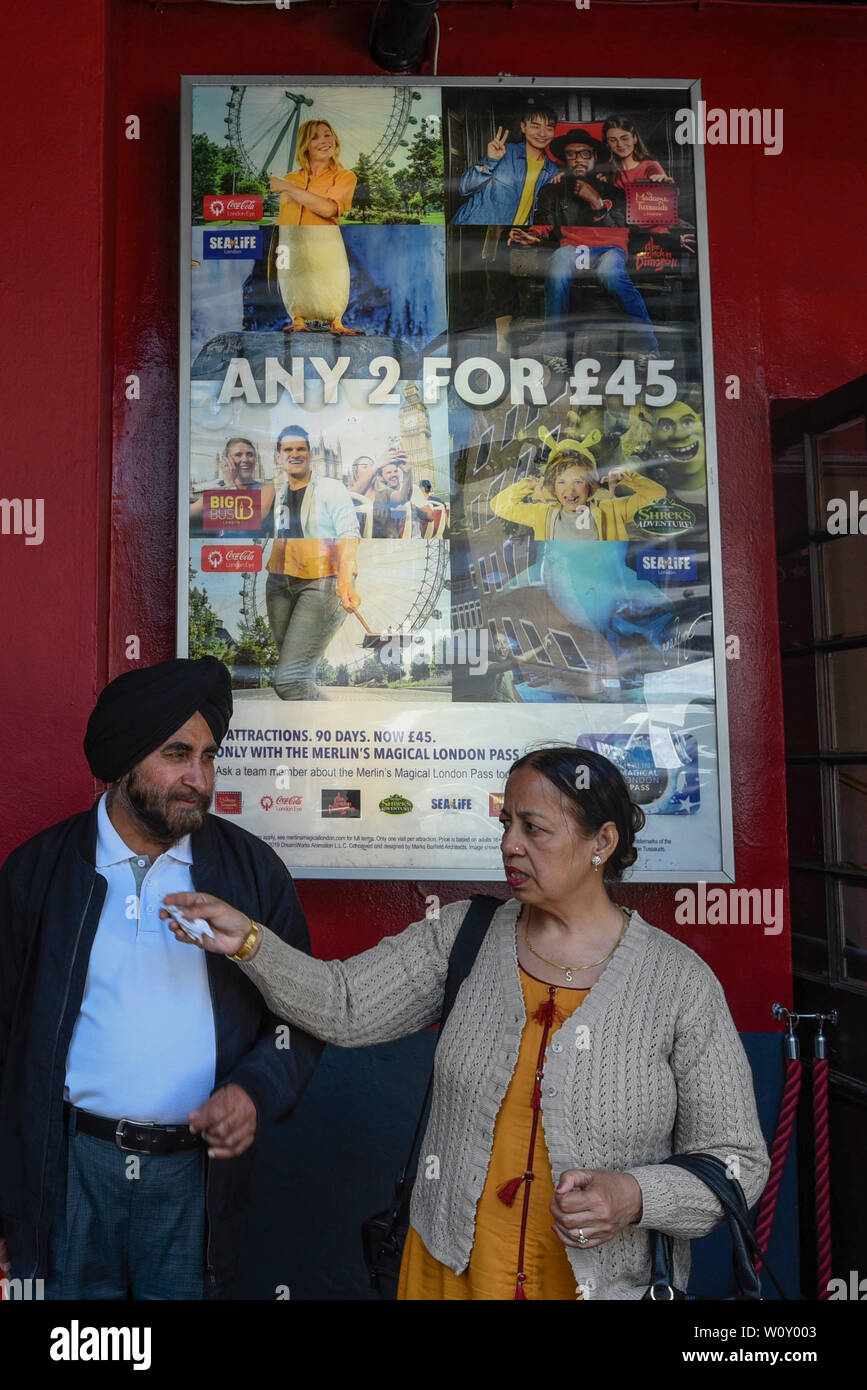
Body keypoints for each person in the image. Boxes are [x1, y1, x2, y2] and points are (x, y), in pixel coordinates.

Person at [162, 745, 770, 1301]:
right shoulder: (466, 936)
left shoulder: (678, 984)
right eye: (506, 824)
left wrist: (635, 1197)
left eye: (533, 828)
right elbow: (344, 1004)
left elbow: (738, 1162)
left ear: (601, 841)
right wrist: (251, 944)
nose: (509, 844)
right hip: (448, 1275)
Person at [0, 657, 323, 1300]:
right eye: (177, 755)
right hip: (66, 1173)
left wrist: (254, 1092)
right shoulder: (39, 874)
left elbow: (301, 1013)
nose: (198, 779)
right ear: (123, 762)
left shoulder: (249, 875)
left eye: (208, 757)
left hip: (193, 1181)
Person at [509, 127, 659, 369]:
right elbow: (544, 224)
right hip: (573, 249)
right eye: (571, 155)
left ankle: (647, 350)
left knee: (610, 274)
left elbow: (622, 229)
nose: (577, 159)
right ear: (565, 159)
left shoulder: (615, 192)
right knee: (558, 267)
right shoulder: (553, 191)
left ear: (594, 157)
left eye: (584, 154)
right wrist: (533, 235)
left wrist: (598, 204)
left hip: (609, 249)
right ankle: (554, 353)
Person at [453, 104, 559, 354]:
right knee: (468, 291)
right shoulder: (504, 153)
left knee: (505, 290)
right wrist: (490, 161)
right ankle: (464, 350)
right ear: (523, 127)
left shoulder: (552, 170)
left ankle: (501, 349)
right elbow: (463, 188)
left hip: (511, 234)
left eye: (549, 127)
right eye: (535, 125)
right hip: (473, 230)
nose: (542, 132)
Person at [266, 425, 361, 699]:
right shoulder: (278, 492)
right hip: (279, 582)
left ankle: (338, 731)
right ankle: (314, 736)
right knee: (297, 677)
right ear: (278, 457)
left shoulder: (331, 488)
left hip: (323, 583)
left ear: (311, 454)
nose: (295, 454)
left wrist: (345, 580)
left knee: (289, 682)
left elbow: (349, 534)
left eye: (301, 449)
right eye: (288, 450)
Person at [489, 426, 667, 541]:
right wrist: (523, 486)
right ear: (553, 486)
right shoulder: (542, 515)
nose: (570, 490)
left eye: (578, 481)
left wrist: (630, 478)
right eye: (561, 482)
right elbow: (498, 507)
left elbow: (657, 496)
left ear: (590, 483)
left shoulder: (613, 510)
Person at [269, 119, 359, 336]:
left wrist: (287, 188)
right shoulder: (291, 178)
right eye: (315, 137)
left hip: (326, 242)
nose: (324, 141)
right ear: (304, 145)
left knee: (331, 272)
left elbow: (328, 209)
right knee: (290, 273)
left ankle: (336, 319)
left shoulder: (344, 176)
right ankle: (297, 317)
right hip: (291, 241)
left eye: (328, 134)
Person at [602, 115, 696, 253]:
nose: (620, 144)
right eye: (613, 140)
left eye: (624, 138)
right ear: (608, 143)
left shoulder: (649, 166)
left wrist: (664, 184)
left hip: (659, 235)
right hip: (630, 237)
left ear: (634, 138)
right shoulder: (611, 174)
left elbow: (665, 196)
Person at [189, 437, 275, 539]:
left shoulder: (266, 489)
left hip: (251, 552)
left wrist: (230, 484)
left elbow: (250, 520)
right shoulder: (216, 494)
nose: (245, 460)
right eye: (238, 455)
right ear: (226, 461)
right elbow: (184, 514)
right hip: (221, 552)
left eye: (250, 455)